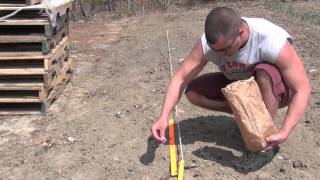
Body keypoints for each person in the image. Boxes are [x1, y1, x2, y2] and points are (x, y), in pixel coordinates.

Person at [150, 6, 310, 152]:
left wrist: (285, 130)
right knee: (193, 92)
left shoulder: (270, 40)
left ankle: (263, 136)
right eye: (215, 50)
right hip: (239, 86)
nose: (221, 54)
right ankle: (244, 117)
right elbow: (180, 78)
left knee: (264, 72)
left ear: (241, 32)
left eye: (227, 48)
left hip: (276, 89)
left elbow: (302, 90)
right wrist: (163, 116)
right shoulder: (208, 44)